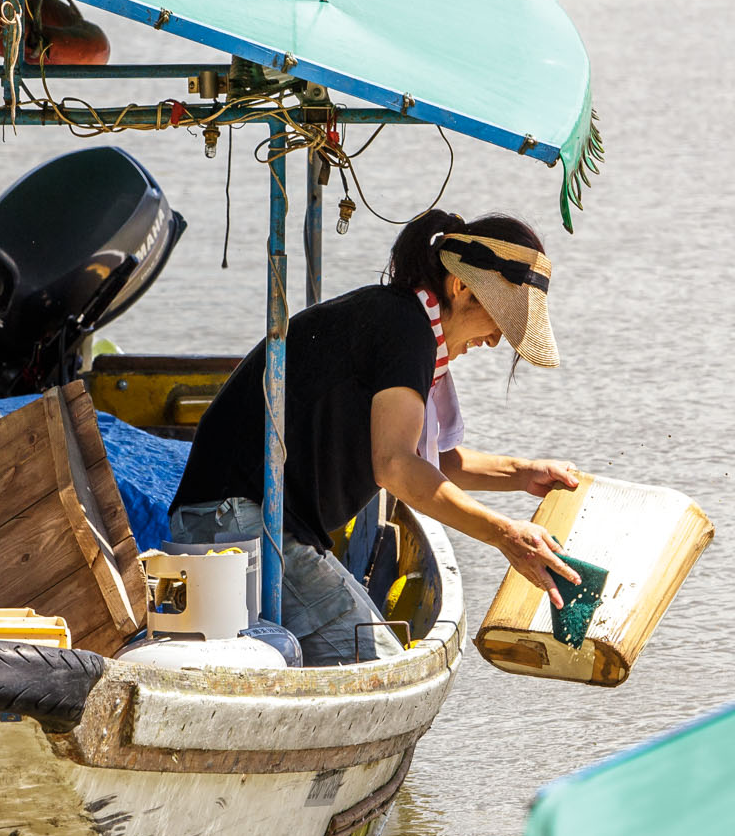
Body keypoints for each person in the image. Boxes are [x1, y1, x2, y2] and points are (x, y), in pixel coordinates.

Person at [168, 209, 582, 665]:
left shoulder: (399, 320)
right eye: (499, 320)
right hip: (240, 524)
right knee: (379, 662)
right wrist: (504, 534)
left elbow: (430, 463)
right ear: (460, 287)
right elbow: (397, 466)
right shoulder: (405, 331)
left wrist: (524, 474)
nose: (496, 341)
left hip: (240, 519)